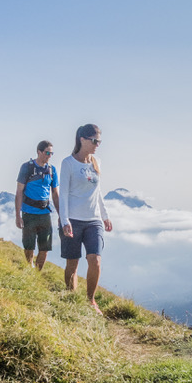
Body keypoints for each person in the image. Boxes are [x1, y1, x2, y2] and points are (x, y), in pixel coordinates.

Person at [59, 123, 113, 313]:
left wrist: (105, 216)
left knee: (95, 260)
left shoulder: (97, 162)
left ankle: (91, 301)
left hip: (93, 220)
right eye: (94, 140)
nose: (97, 144)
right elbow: (63, 194)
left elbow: (97, 192)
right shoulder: (68, 163)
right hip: (73, 219)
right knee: (72, 264)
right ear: (82, 140)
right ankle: (71, 299)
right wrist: (64, 221)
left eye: (99, 140)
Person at [15, 140, 60, 270]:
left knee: (44, 248)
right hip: (29, 213)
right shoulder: (27, 167)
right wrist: (18, 216)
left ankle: (37, 274)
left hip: (45, 213)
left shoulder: (52, 170)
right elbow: (19, 192)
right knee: (29, 246)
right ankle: (29, 269)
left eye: (51, 153)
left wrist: (61, 215)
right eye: (47, 152)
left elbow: (55, 194)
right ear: (39, 152)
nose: (49, 156)